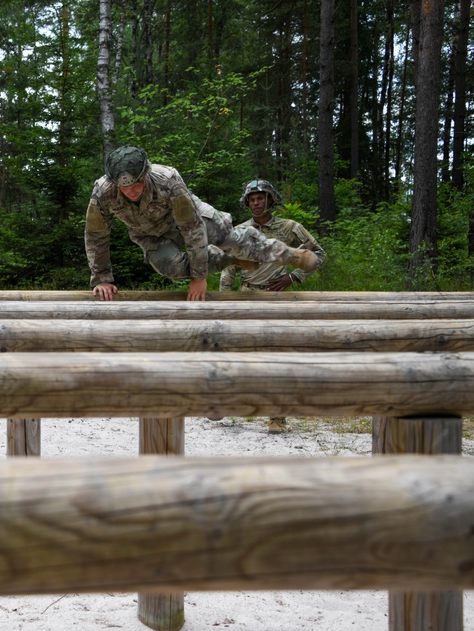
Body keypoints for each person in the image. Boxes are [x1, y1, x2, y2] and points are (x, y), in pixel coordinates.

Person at [85, 146, 320, 302]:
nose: (132, 191)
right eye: (125, 188)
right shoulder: (103, 192)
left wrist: (200, 276)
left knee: (230, 240)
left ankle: (287, 254)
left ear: (146, 173)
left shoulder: (167, 179)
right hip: (151, 233)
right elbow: (96, 235)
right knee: (172, 268)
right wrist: (102, 278)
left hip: (191, 218)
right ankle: (229, 259)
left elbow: (191, 228)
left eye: (137, 184)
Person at [220, 178, 327, 434]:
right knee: (234, 353)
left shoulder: (290, 228)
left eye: (261, 198)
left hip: (276, 300)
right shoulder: (240, 230)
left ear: (270, 199)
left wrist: (293, 276)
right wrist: (224, 300)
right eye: (252, 199)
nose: (256, 203)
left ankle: (277, 417)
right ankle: (222, 403)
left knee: (276, 358)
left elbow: (319, 254)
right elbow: (228, 265)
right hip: (246, 299)